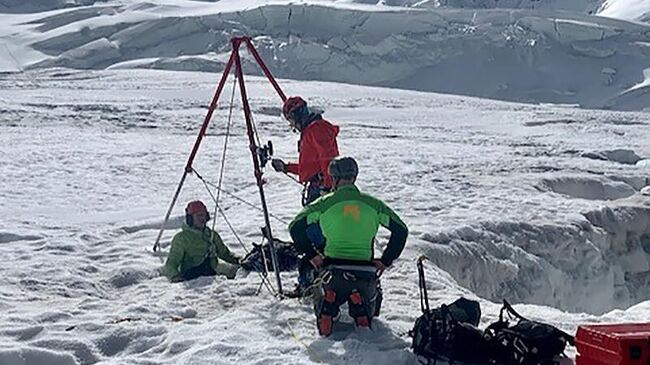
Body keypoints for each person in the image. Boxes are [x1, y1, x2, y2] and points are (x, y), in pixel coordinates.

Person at [288, 157, 408, 336]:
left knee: (322, 286)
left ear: (334, 179)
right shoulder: (373, 204)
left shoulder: (324, 203)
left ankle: (327, 305)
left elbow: (295, 227)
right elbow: (401, 230)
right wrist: (386, 260)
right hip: (365, 273)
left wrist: (312, 254)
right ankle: (360, 305)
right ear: (355, 177)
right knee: (372, 301)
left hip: (332, 271)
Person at [271, 96, 340, 206]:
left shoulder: (317, 129)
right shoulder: (310, 131)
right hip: (318, 188)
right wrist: (286, 167)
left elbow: (328, 160)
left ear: (296, 116)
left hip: (321, 190)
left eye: (291, 120)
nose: (292, 125)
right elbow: (310, 167)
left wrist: (327, 190)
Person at [161, 200, 241, 282]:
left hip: (212, 276)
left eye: (203, 215)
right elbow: (171, 264)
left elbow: (225, 254)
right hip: (192, 279)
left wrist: (240, 260)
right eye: (198, 216)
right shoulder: (181, 238)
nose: (202, 218)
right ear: (190, 219)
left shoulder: (211, 235)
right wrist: (175, 276)